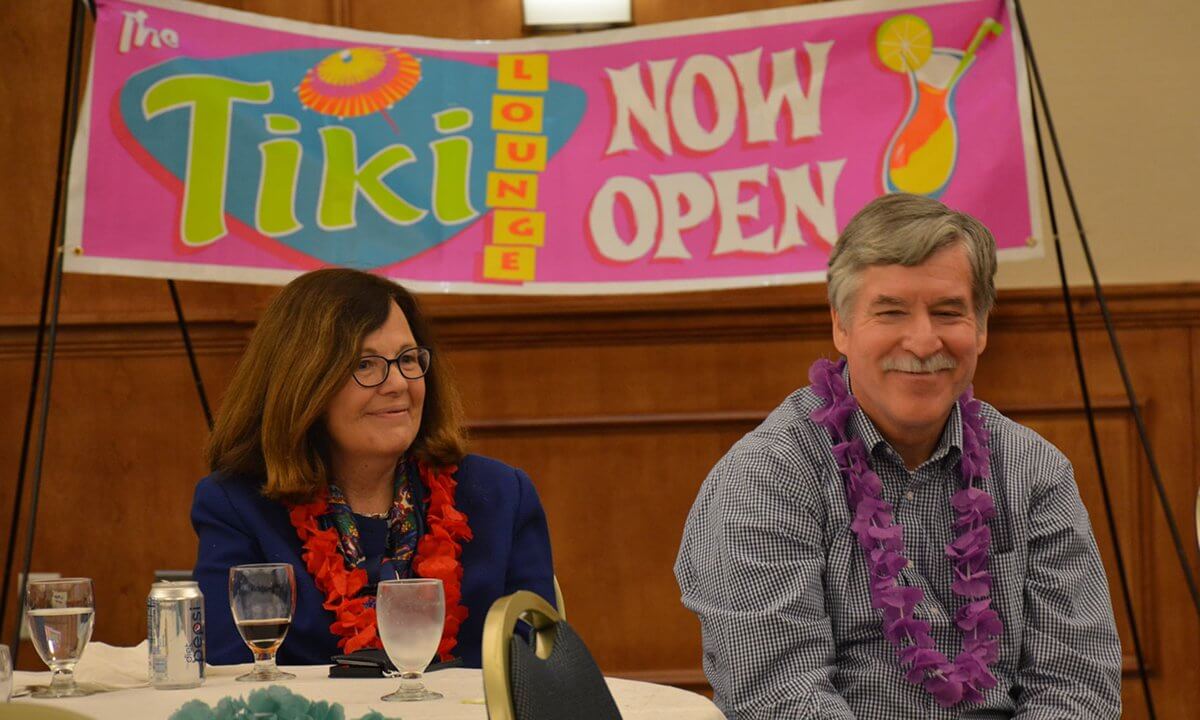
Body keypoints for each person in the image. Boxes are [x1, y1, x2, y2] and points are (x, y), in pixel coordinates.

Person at [675, 194, 1122, 718]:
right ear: (841, 326)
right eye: (890, 312)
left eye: (948, 312)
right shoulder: (765, 480)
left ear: (980, 328)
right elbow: (781, 698)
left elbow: (1078, 686)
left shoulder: (1034, 471)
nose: (922, 339)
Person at [192, 268, 555, 668]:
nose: (397, 382)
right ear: (304, 382)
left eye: (407, 359)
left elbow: (542, 671)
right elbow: (229, 679)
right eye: (365, 365)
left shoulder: (499, 495)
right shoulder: (238, 505)